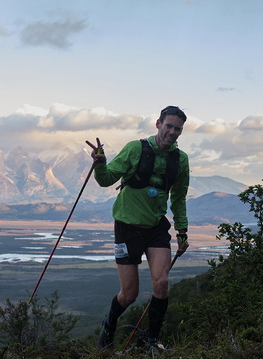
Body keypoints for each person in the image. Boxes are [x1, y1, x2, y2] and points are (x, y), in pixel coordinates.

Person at [86, 105, 190, 354]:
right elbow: (106, 180)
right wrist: (101, 163)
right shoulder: (135, 148)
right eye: (169, 126)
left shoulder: (181, 159)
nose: (173, 132)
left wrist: (182, 231)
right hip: (127, 227)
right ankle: (109, 324)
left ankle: (151, 343)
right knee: (129, 294)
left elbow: (178, 198)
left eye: (178, 129)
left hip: (156, 227)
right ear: (158, 124)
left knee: (161, 282)